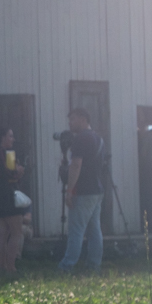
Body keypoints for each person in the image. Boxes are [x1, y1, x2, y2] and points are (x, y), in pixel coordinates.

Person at [58, 107, 104, 274]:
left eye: (73, 119)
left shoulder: (80, 139)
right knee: (94, 230)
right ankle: (94, 265)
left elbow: (76, 165)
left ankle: (67, 266)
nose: (70, 123)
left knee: (76, 230)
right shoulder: (98, 138)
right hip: (97, 190)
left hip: (83, 191)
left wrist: (69, 191)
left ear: (84, 119)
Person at [0, 126, 27, 274]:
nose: (13, 139)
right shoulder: (7, 153)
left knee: (3, 232)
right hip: (8, 196)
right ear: (2, 138)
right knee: (16, 232)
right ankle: (11, 267)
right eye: (10, 136)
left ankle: (2, 267)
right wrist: (19, 171)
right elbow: (10, 174)